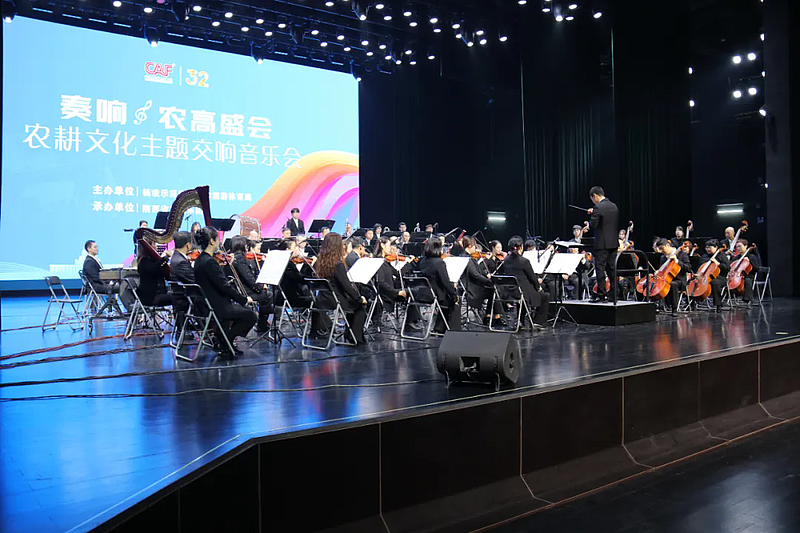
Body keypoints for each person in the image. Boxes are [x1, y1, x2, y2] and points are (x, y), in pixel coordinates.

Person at [193, 226, 257, 358]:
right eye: (217, 239)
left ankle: (225, 340)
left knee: (241, 312)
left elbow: (218, 279)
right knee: (251, 316)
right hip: (217, 306)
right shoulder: (209, 262)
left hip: (206, 303)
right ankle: (225, 340)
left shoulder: (200, 260)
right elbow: (225, 286)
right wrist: (244, 299)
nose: (219, 242)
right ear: (212, 241)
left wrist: (228, 266)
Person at [314, 232, 368, 344]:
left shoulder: (319, 262)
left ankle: (349, 334)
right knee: (360, 305)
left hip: (322, 299)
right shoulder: (338, 264)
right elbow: (346, 285)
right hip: (335, 300)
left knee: (354, 302)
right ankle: (355, 337)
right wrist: (358, 298)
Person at [374, 237, 422, 330]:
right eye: (389, 245)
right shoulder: (378, 262)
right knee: (413, 292)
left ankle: (413, 320)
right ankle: (410, 322)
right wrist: (396, 292)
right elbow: (381, 282)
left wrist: (408, 263)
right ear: (382, 246)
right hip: (387, 294)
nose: (390, 248)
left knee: (414, 291)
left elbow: (397, 273)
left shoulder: (385, 261)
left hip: (390, 292)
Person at [503, 236, 550, 329]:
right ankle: (538, 322)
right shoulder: (524, 261)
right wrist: (538, 287)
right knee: (545, 296)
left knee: (524, 293)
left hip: (509, 292)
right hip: (522, 293)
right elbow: (532, 277)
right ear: (521, 247)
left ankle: (521, 321)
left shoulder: (506, 261)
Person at [230, 235, 273, 333]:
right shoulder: (239, 258)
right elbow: (248, 277)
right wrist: (260, 286)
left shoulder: (235, 257)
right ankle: (262, 324)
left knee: (267, 294)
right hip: (245, 292)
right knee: (269, 294)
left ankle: (263, 323)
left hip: (242, 289)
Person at [419, 238, 461, 334]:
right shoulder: (439, 262)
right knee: (455, 298)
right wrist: (454, 292)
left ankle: (440, 328)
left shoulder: (423, 261)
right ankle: (454, 329)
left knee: (447, 297)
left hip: (421, 293)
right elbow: (445, 281)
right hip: (433, 294)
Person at [461, 236, 503, 325]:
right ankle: (494, 318)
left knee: (493, 290)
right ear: (469, 246)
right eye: (474, 246)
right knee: (494, 290)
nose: (476, 248)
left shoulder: (466, 257)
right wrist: (488, 281)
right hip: (472, 289)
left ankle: (489, 316)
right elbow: (475, 275)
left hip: (472, 285)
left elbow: (478, 272)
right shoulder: (467, 259)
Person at [587, 186, 619, 302]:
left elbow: (594, 225)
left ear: (595, 196)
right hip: (613, 243)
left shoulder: (598, 207)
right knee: (612, 269)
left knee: (600, 269)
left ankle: (602, 295)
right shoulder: (614, 206)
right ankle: (614, 294)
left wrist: (592, 215)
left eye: (592, 199)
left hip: (602, 244)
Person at [655, 238, 692, 317]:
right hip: (666, 279)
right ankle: (657, 305)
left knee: (672, 284)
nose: (661, 251)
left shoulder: (682, 254)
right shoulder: (663, 257)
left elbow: (688, 268)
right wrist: (658, 271)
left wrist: (677, 261)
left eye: (662, 249)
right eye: (659, 249)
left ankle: (674, 309)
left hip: (680, 280)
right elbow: (662, 270)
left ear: (668, 245)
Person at [135, 238, 172, 307]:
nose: (156, 246)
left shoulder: (151, 261)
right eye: (154, 244)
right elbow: (155, 268)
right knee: (180, 297)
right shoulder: (144, 261)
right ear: (148, 247)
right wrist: (166, 258)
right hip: (150, 298)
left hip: (155, 295)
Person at [697, 239, 730, 312]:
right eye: (706, 247)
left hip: (720, 277)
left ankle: (718, 305)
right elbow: (700, 267)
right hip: (705, 277)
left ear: (716, 247)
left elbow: (727, 268)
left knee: (715, 283)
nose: (707, 249)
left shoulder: (721, 255)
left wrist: (718, 263)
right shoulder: (704, 256)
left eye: (710, 247)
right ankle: (693, 303)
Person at [731, 239, 761, 305]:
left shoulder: (751, 257)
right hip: (737, 276)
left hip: (749, 276)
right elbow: (731, 268)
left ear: (745, 246)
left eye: (740, 246)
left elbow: (757, 268)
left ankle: (747, 300)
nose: (738, 248)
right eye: (737, 247)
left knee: (747, 281)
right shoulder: (736, 258)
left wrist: (749, 262)